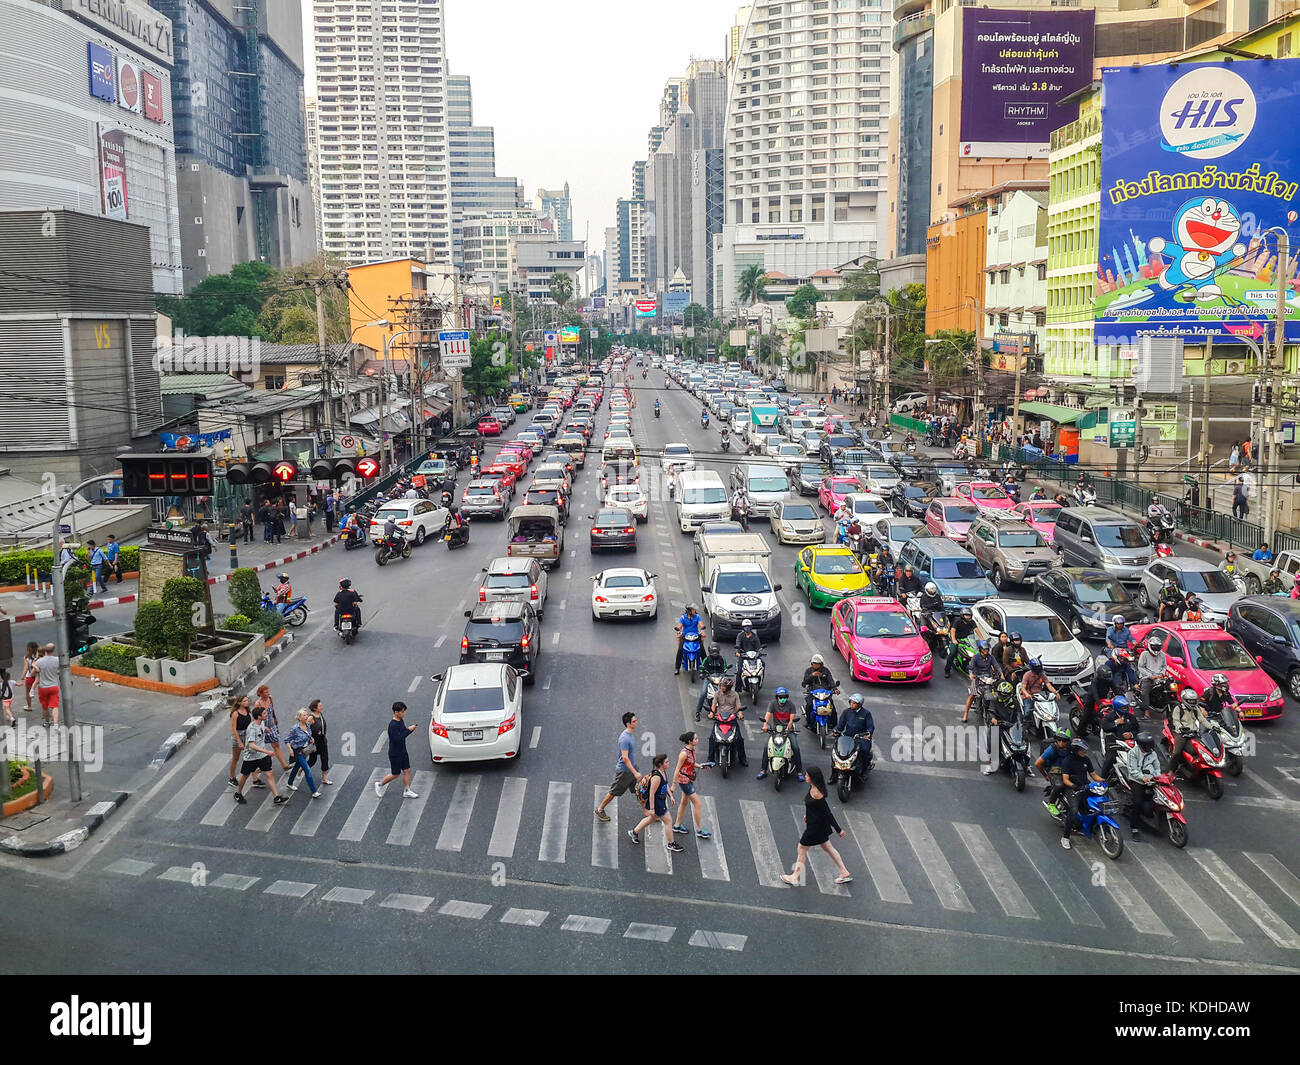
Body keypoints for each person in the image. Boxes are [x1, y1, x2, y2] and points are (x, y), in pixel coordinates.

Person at [779, 767, 853, 886]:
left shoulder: (817, 792)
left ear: (812, 778)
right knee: (828, 848)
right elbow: (814, 807)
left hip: (815, 828)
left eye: (807, 775)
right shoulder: (813, 788)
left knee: (801, 848)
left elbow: (827, 813)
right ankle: (844, 872)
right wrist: (807, 815)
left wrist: (838, 829)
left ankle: (795, 877)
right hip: (818, 825)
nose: (805, 776)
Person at [232, 705, 288, 806]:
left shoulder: (261, 722)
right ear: (258, 716)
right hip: (251, 757)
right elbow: (252, 745)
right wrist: (268, 752)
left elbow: (262, 728)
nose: (266, 715)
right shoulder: (252, 728)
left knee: (269, 773)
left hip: (262, 756)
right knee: (245, 775)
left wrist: (265, 729)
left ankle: (276, 797)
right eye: (264, 714)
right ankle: (238, 793)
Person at [629, 753, 682, 853]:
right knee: (668, 821)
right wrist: (652, 809)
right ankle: (671, 844)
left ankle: (634, 832)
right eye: (666, 762)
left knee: (651, 819)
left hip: (661, 800)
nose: (668, 763)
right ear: (660, 764)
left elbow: (665, 784)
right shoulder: (656, 777)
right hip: (657, 803)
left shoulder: (663, 772)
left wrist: (670, 795)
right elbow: (651, 794)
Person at [1058, 738, 1103, 849]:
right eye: (1082, 750)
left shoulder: (1086, 760)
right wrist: (1074, 786)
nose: (1084, 751)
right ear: (1075, 750)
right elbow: (1065, 779)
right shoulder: (1067, 761)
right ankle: (1065, 838)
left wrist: (1104, 781)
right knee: (1073, 811)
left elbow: (1093, 775)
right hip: (1072, 788)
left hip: (1085, 786)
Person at [595, 712, 639, 821]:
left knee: (638, 790)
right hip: (625, 771)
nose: (636, 722)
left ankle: (648, 812)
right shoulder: (624, 739)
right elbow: (624, 758)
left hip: (632, 769)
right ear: (628, 724)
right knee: (613, 792)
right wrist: (635, 772)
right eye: (634, 721)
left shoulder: (630, 735)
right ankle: (600, 809)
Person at [1120, 732, 1163, 837]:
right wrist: (1143, 777)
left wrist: (1157, 775)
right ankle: (1134, 828)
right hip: (1137, 781)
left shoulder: (1153, 753)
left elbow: (1157, 767)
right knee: (1138, 803)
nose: (1150, 747)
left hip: (1152, 779)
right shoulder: (1133, 753)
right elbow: (1133, 770)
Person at [757, 687, 804, 782]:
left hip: (788, 729)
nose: (783, 699)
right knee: (767, 747)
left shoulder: (791, 705)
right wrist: (765, 725)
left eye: (785, 697)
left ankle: (799, 771)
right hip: (775, 729)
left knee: (795, 747)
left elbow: (791, 720)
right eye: (781, 697)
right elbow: (768, 715)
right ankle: (763, 770)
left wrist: (787, 730)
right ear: (777, 697)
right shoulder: (772, 704)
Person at [671, 732, 712, 839]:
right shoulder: (684, 753)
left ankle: (677, 825)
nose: (698, 740)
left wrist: (702, 766)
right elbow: (677, 768)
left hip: (688, 779)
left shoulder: (692, 750)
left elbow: (691, 763)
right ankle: (700, 829)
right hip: (684, 781)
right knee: (698, 805)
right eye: (696, 739)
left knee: (684, 803)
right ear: (690, 741)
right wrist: (673, 785)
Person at [375, 701, 419, 799]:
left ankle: (407, 790)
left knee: (407, 770)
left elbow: (402, 733)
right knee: (395, 774)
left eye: (404, 711)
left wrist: (408, 729)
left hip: (403, 750)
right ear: (396, 712)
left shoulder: (400, 720)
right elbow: (397, 739)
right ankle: (379, 784)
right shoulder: (392, 725)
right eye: (402, 712)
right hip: (395, 753)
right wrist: (409, 730)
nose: (404, 714)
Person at [706, 677, 748, 767]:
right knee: (711, 738)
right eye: (721, 685)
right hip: (719, 719)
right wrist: (711, 713)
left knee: (739, 739)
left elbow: (738, 707)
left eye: (724, 686)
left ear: (729, 687)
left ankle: (742, 759)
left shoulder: (735, 695)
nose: (722, 687)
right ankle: (710, 759)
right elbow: (714, 705)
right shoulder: (717, 694)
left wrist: (740, 714)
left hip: (731, 719)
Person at [1099, 694, 1140, 778]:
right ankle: (1103, 779)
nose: (1126, 709)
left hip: (1129, 743)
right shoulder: (1110, 716)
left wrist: (1131, 734)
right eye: (1123, 708)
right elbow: (1105, 727)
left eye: (1126, 707)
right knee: (1109, 760)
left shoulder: (1131, 717)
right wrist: (1116, 723)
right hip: (1113, 742)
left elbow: (1137, 729)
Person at [284, 708, 322, 797]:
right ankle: (314, 791)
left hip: (305, 750)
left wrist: (311, 739)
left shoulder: (308, 725)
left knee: (297, 766)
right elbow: (287, 740)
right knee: (307, 770)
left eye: (306, 715)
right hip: (297, 751)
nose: (306, 716)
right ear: (299, 717)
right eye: (304, 715)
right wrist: (290, 750)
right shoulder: (295, 728)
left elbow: (308, 735)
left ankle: (289, 783)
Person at [964, 640, 1001, 723]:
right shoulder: (975, 658)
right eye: (984, 649)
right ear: (980, 649)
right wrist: (971, 674)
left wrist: (1001, 674)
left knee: (994, 693)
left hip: (988, 678)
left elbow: (996, 666)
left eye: (987, 649)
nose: (986, 651)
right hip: (977, 677)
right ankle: (965, 713)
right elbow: (971, 667)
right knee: (973, 694)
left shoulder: (991, 658)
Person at [835, 692, 875, 770]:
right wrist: (836, 730)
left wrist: (869, 733)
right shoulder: (846, 712)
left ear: (859, 704)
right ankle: (834, 775)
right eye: (851, 702)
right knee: (836, 751)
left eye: (854, 703)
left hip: (861, 738)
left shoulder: (866, 713)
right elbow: (840, 725)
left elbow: (870, 726)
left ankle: (865, 768)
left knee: (864, 750)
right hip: (847, 737)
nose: (852, 704)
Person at [801, 653, 839, 726]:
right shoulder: (808, 671)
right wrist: (812, 675)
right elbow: (805, 681)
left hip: (825, 693)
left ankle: (834, 724)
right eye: (813, 663)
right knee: (809, 706)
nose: (814, 665)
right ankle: (809, 722)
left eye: (816, 664)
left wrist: (835, 688)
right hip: (813, 693)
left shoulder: (826, 671)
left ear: (821, 664)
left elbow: (831, 680)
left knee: (832, 708)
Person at [695, 644, 730, 720]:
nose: (715, 653)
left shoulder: (722, 659)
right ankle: (698, 711)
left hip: (719, 678)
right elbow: (702, 668)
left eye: (716, 652)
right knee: (703, 693)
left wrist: (724, 675)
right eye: (713, 652)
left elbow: (724, 669)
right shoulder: (706, 659)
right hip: (709, 677)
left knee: (728, 692)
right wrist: (702, 674)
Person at [1136, 637, 1168, 719]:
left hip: (1159, 677)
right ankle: (1146, 712)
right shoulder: (1144, 654)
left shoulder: (1162, 655)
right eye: (1154, 646)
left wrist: (1162, 673)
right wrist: (1150, 676)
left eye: (1158, 646)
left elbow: (1164, 666)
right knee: (1145, 692)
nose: (1156, 648)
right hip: (1147, 677)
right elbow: (1141, 667)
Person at [227, 693, 253, 788]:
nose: (247, 702)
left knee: (252, 755)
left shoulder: (247, 711)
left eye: (247, 700)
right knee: (236, 758)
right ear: (239, 702)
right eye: (245, 701)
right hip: (238, 736)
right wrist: (239, 742)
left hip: (247, 735)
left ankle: (254, 776)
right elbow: (234, 729)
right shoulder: (235, 713)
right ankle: (232, 777)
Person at [673, 603, 707, 676]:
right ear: (689, 611)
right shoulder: (683, 617)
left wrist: (702, 628)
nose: (694, 611)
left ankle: (706, 668)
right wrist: (678, 629)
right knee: (680, 650)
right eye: (693, 610)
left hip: (696, 636)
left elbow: (701, 624)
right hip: (685, 636)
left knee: (702, 650)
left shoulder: (697, 617)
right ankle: (677, 668)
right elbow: (680, 626)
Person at [945, 606, 976, 678]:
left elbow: (976, 630)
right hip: (956, 639)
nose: (968, 617)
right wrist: (954, 640)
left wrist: (982, 639)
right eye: (966, 615)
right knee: (952, 654)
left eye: (969, 615)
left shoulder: (971, 622)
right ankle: (947, 670)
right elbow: (953, 630)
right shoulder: (958, 621)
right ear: (962, 615)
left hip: (966, 639)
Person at [33, 643, 60, 726]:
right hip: (54, 686)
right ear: (53, 650)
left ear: (45, 650)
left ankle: (47, 722)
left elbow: (32, 674)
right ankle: (56, 724)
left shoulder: (39, 661)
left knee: (45, 706)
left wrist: (34, 666)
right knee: (55, 706)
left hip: (43, 687)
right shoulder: (57, 660)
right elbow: (60, 671)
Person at [306, 698, 331, 786]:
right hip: (315, 742)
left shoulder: (320, 714)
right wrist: (310, 737)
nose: (322, 707)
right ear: (315, 708)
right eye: (320, 706)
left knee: (325, 759)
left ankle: (324, 778)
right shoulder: (310, 718)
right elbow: (305, 729)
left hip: (323, 740)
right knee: (313, 760)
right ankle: (300, 770)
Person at [22, 641, 39, 712]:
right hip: (39, 676)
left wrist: (22, 677)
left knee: (28, 692)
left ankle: (29, 706)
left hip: (29, 677)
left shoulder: (26, 658)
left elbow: (26, 668)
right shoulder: (39, 657)